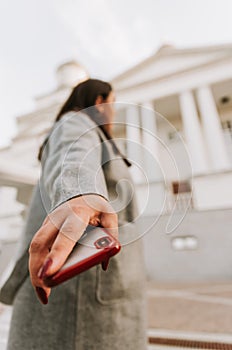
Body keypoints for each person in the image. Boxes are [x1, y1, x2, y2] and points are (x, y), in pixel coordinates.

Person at [0, 79, 147, 349]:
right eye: (112, 103)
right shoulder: (76, 121)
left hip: (97, 297)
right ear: (100, 102)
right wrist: (80, 193)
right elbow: (75, 149)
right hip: (81, 308)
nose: (114, 111)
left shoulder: (98, 136)